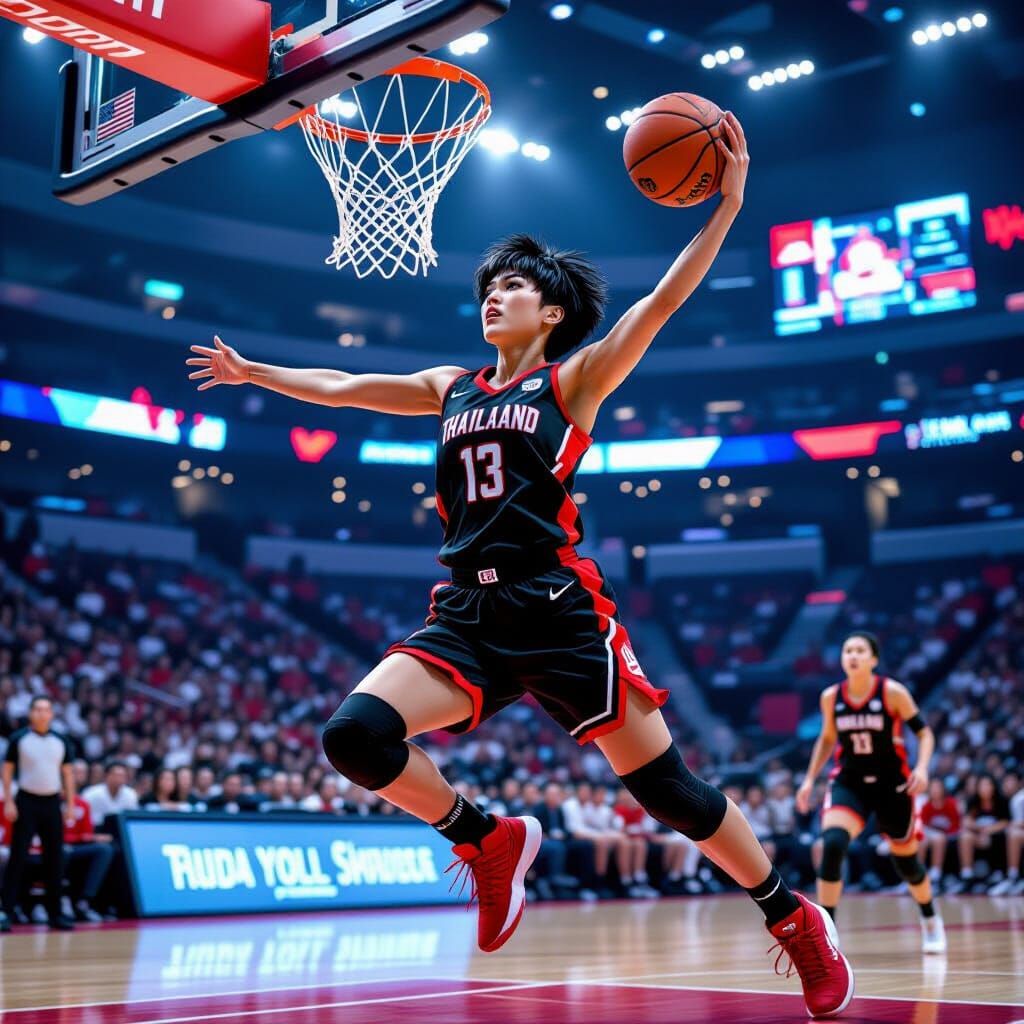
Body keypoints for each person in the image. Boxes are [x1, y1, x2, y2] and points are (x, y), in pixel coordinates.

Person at [186, 112, 852, 1018]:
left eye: (512, 288)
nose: (493, 296)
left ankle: (791, 915)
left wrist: (727, 206)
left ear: (552, 312)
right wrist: (255, 372)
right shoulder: (449, 387)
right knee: (355, 738)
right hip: (466, 611)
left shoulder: (573, 380)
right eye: (490, 286)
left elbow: (662, 302)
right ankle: (486, 841)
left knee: (670, 792)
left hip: (558, 609)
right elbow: (344, 389)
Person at [796, 632, 945, 955]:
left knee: (906, 863)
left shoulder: (892, 692)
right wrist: (809, 779)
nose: (853, 655)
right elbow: (826, 739)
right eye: (848, 649)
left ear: (873, 660)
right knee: (832, 843)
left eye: (860, 650)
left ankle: (930, 918)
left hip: (894, 785)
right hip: (850, 781)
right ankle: (828, 931)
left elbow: (925, 732)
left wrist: (922, 768)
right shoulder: (830, 697)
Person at [1, 696, 76, 932]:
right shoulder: (19, 739)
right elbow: (7, 771)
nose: (42, 713)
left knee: (55, 858)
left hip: (52, 802)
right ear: (31, 713)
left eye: (46, 709)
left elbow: (68, 774)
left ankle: (55, 913)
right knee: (17, 857)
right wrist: (9, 801)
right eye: (37, 709)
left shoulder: (61, 741)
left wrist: (71, 804)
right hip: (26, 801)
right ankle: (6, 912)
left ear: (52, 714)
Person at [954, 773, 1010, 892]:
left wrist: (988, 831)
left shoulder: (1001, 801)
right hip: (978, 837)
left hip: (996, 838)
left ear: (994, 786)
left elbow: (1006, 822)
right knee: (965, 837)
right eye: (982, 785)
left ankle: (1000, 875)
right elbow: (966, 821)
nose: (985, 788)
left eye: (988, 785)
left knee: (1003, 836)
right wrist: (980, 830)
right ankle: (967, 875)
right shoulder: (972, 801)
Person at [918, 778, 960, 886]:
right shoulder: (926, 805)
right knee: (921, 840)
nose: (935, 790)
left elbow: (956, 824)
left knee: (939, 838)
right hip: (931, 835)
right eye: (933, 788)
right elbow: (923, 825)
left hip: (950, 835)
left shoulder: (951, 803)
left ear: (943, 789)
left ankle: (936, 874)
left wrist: (943, 833)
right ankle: (918, 875)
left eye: (937, 787)